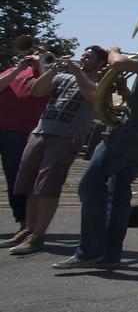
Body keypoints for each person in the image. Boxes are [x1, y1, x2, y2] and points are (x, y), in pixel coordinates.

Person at [53, 34, 138, 269]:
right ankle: (110, 255)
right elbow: (137, 102)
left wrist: (112, 50)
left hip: (130, 134)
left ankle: (89, 251)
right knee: (118, 192)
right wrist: (122, 87)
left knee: (89, 185)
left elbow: (118, 63)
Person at [3, 46, 107, 255]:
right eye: (83, 55)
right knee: (30, 184)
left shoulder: (101, 83)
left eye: (89, 57)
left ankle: (39, 236)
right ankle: (28, 230)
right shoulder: (62, 78)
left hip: (66, 137)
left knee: (47, 187)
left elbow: (94, 98)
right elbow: (37, 90)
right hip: (40, 131)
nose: (83, 58)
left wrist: (77, 72)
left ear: (100, 63)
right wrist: (51, 69)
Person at [0, 49, 48, 239]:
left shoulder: (49, 76)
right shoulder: (14, 70)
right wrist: (19, 68)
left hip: (18, 132)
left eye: (41, 54)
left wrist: (42, 66)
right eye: (35, 52)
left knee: (15, 178)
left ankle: (23, 220)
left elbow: (48, 89)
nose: (35, 55)